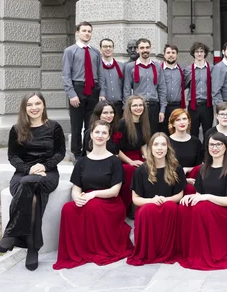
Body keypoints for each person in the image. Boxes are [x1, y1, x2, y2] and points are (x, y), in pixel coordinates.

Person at [0, 92, 65, 271]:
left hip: (47, 173)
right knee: (32, 195)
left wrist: (44, 166)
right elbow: (13, 156)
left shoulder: (54, 127)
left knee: (29, 184)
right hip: (23, 173)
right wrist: (28, 169)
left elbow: (60, 153)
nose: (34, 108)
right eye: (30, 105)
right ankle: (32, 248)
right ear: (24, 108)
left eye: (37, 104)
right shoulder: (16, 129)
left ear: (43, 106)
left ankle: (10, 235)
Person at [54, 121, 132, 269]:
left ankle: (96, 249)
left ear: (108, 137)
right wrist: (77, 197)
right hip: (88, 198)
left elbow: (115, 191)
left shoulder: (114, 161)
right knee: (68, 209)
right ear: (91, 135)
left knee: (94, 206)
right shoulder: (82, 162)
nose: (100, 136)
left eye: (104, 133)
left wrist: (93, 194)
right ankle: (78, 250)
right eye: (97, 132)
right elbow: (76, 188)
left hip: (110, 201)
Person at [177, 132, 227, 270]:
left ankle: (208, 250)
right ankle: (193, 249)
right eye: (212, 144)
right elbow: (199, 194)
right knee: (185, 206)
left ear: (225, 147)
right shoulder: (203, 168)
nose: (215, 148)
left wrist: (206, 197)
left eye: (219, 144)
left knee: (202, 207)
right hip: (209, 207)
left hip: (226, 211)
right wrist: (191, 197)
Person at [127, 133, 186, 266]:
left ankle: (168, 250)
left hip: (168, 206)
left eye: (163, 144)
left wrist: (165, 200)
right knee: (147, 210)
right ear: (150, 148)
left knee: (171, 207)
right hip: (147, 207)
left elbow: (179, 195)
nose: (159, 148)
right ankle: (149, 251)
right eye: (156, 144)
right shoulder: (141, 171)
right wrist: (152, 201)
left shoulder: (176, 169)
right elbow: (135, 199)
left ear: (168, 148)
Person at [62, 21, 103, 160]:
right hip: (77, 88)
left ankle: (88, 150)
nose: (87, 33)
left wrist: (101, 93)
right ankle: (77, 153)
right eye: (84, 31)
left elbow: (100, 74)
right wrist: (71, 94)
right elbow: (66, 75)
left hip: (93, 89)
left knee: (91, 123)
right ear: (77, 33)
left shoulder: (96, 52)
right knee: (76, 125)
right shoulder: (70, 51)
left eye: (89, 31)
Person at [122, 38, 167, 134]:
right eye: (142, 48)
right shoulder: (130, 67)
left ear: (150, 49)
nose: (145, 50)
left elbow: (162, 89)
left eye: (147, 47)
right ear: (137, 50)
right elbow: (127, 90)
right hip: (138, 107)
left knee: (153, 134)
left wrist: (162, 110)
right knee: (139, 134)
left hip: (154, 106)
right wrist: (127, 109)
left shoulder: (157, 66)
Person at [115, 95, 151, 214]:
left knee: (151, 168)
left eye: (140, 105)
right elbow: (116, 149)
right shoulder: (122, 124)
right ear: (129, 108)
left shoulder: (143, 123)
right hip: (124, 159)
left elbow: (142, 145)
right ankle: (130, 208)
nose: (138, 108)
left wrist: (147, 157)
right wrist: (130, 162)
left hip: (138, 156)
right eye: (135, 105)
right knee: (132, 171)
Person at [168, 108, 203, 193]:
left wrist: (187, 169)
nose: (182, 122)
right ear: (172, 123)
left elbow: (200, 166)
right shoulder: (166, 142)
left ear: (189, 122)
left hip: (193, 180)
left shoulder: (196, 142)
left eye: (184, 119)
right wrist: (184, 180)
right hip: (171, 181)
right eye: (178, 120)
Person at [184, 42, 213, 140]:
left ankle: (206, 154)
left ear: (205, 53)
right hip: (193, 106)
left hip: (207, 105)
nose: (199, 54)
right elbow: (183, 85)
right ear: (193, 53)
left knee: (208, 132)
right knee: (193, 133)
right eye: (197, 51)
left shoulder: (212, 68)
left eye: (201, 51)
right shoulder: (188, 70)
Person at [161, 44, 186, 136]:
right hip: (161, 107)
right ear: (164, 55)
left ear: (177, 55)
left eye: (173, 53)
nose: (171, 55)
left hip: (177, 106)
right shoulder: (158, 70)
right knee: (162, 132)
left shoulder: (183, 71)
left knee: (176, 132)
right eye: (168, 52)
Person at [99, 38, 124, 118]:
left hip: (119, 105)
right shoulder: (96, 67)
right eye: (105, 46)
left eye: (110, 46)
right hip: (102, 106)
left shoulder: (122, 66)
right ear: (100, 49)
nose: (108, 49)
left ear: (113, 49)